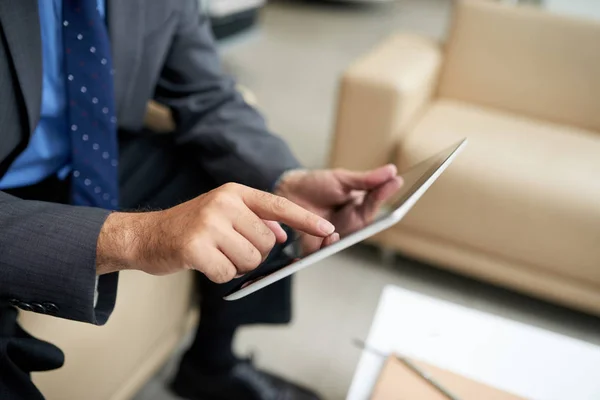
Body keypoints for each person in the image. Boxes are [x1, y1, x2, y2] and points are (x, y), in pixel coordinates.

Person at [0, 1, 402, 399]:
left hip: (85, 157)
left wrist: (285, 179)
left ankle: (212, 364)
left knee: (248, 192)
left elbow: (207, 92)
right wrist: (137, 237)